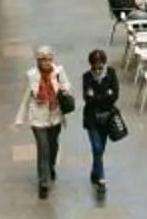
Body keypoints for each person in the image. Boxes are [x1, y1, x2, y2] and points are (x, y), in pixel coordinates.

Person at [14, 48, 70, 197]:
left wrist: (63, 91)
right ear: (38, 61)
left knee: (53, 146)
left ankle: (50, 167)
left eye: (49, 59)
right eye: (43, 60)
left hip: (55, 115)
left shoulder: (58, 72)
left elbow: (66, 85)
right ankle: (43, 182)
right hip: (38, 117)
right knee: (43, 148)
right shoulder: (32, 75)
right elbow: (26, 96)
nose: (46, 62)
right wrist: (20, 118)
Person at [78, 48, 122, 194]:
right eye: (95, 65)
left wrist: (98, 97)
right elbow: (87, 98)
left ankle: (95, 170)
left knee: (101, 148)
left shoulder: (111, 73)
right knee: (96, 147)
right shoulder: (86, 77)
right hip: (92, 118)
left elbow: (115, 95)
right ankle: (101, 179)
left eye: (100, 64)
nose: (98, 68)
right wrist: (105, 95)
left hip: (107, 118)